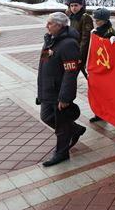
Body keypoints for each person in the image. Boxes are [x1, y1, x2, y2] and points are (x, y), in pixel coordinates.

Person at [36, 12, 85, 167]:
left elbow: (71, 72)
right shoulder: (49, 39)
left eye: (50, 23)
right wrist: (41, 91)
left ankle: (61, 153)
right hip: (48, 90)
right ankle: (75, 130)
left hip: (59, 92)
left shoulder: (69, 44)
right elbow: (43, 65)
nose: (46, 26)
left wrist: (65, 97)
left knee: (62, 125)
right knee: (46, 117)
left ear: (59, 25)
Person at [65, 0, 93, 77]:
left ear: (81, 5)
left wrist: (80, 56)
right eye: (71, 6)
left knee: (75, 74)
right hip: (74, 49)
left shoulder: (85, 17)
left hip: (82, 51)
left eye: (76, 5)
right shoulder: (73, 16)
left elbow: (86, 38)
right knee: (75, 73)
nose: (73, 8)